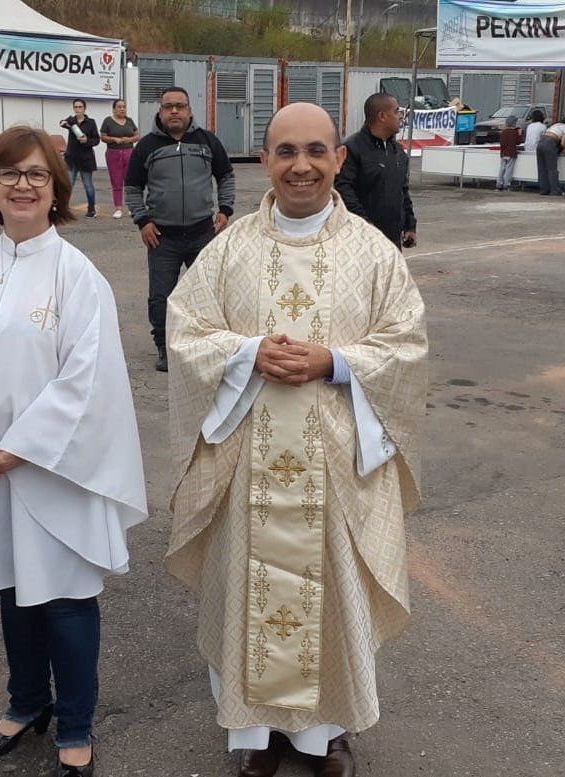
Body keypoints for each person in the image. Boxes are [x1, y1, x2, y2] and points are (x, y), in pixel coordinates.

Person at [165, 102, 427, 777]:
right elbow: (186, 329)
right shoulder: (230, 249)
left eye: (316, 150)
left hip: (338, 466)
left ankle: (325, 736)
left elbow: (405, 345)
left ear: (339, 158)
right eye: (286, 151)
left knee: (334, 599)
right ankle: (255, 737)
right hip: (247, 466)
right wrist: (247, 352)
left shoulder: (374, 252)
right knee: (246, 597)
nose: (301, 165)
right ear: (265, 160)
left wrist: (333, 361)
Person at [0, 126, 147, 777]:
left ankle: (74, 720)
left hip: (54, 468)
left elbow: (87, 378)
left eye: (36, 174)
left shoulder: (77, 276)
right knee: (14, 589)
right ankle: (26, 702)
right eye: (8, 173)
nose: (22, 185)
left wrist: (20, 447)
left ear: (56, 188)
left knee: (65, 598)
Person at [124, 85, 235, 372]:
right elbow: (132, 188)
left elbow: (225, 176)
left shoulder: (207, 142)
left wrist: (225, 210)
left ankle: (207, 343)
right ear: (160, 111)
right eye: (168, 106)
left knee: (207, 293)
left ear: (189, 110)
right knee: (161, 297)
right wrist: (143, 221)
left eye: (180, 106)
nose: (174, 111)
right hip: (162, 238)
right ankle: (165, 347)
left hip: (203, 234)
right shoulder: (147, 146)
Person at [335, 92, 416, 250]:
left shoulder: (398, 152)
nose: (401, 116)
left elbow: (403, 190)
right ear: (382, 116)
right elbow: (344, 190)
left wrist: (410, 225)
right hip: (361, 242)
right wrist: (365, 223)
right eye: (396, 111)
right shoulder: (353, 149)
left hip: (392, 242)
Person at [59, 98, 101, 218]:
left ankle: (91, 209)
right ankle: (63, 208)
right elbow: (61, 123)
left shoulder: (91, 122)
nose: (78, 109)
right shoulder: (71, 120)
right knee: (68, 185)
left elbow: (96, 140)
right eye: (76, 107)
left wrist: (87, 140)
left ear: (84, 108)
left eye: (80, 107)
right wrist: (64, 123)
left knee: (88, 185)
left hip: (86, 159)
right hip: (71, 159)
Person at [99, 98, 139, 219]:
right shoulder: (108, 121)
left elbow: (137, 136)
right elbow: (102, 137)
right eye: (119, 107)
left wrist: (129, 139)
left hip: (129, 153)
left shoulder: (130, 121)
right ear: (114, 109)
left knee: (130, 181)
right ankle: (118, 208)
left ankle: (131, 207)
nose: (122, 109)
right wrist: (113, 139)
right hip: (113, 154)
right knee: (116, 182)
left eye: (124, 107)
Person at [535, 119, 565, 196]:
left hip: (540, 142)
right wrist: (560, 150)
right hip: (550, 142)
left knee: (542, 169)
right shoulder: (564, 127)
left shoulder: (555, 126)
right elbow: (562, 143)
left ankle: (544, 190)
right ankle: (555, 190)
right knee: (552, 169)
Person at [495, 114, 521, 192]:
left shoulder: (503, 132)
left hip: (503, 153)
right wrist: (520, 134)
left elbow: (502, 143)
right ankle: (507, 184)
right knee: (509, 169)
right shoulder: (515, 132)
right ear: (514, 123)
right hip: (511, 153)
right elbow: (518, 142)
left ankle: (499, 184)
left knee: (502, 169)